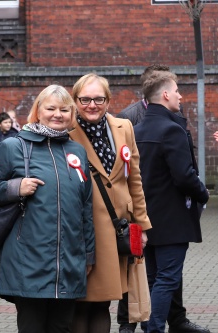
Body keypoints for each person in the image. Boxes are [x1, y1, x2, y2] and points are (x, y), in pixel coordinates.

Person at [0, 84, 95, 333]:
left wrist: (88, 254)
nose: (57, 114)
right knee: (32, 327)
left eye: (64, 109)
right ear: (37, 111)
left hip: (69, 260)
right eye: (51, 108)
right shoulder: (13, 147)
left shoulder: (76, 151)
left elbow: (86, 206)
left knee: (62, 327)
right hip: (27, 260)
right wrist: (15, 187)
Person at [118, 64, 211, 333]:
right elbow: (184, 175)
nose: (181, 96)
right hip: (171, 218)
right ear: (166, 95)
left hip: (146, 217)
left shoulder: (136, 130)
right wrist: (203, 194)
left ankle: (151, 325)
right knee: (168, 278)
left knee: (152, 277)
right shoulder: (171, 130)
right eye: (177, 91)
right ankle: (155, 328)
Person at [67, 73, 152, 333]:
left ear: (108, 100)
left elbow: (134, 177)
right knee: (81, 303)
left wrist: (141, 224)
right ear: (75, 100)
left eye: (98, 99)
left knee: (104, 302)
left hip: (117, 228)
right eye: (85, 99)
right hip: (84, 230)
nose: (92, 105)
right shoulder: (66, 131)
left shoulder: (123, 127)